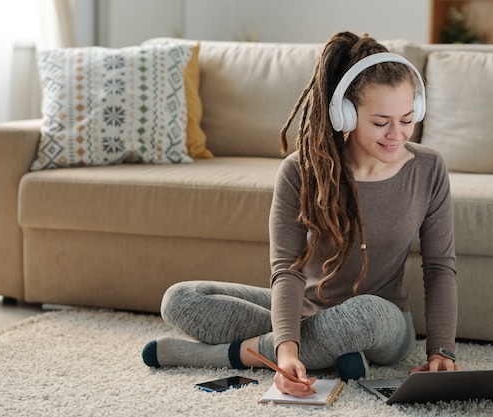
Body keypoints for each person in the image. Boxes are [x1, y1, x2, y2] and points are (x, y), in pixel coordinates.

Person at [142, 31, 461, 398]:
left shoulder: (429, 167)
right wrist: (287, 348)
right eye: (380, 122)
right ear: (345, 114)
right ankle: (333, 352)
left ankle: (220, 355)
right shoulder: (300, 171)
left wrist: (442, 351)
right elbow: (288, 269)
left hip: (384, 321)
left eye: (407, 119)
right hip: (310, 308)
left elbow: (439, 267)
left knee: (365, 314)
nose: (397, 134)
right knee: (181, 298)